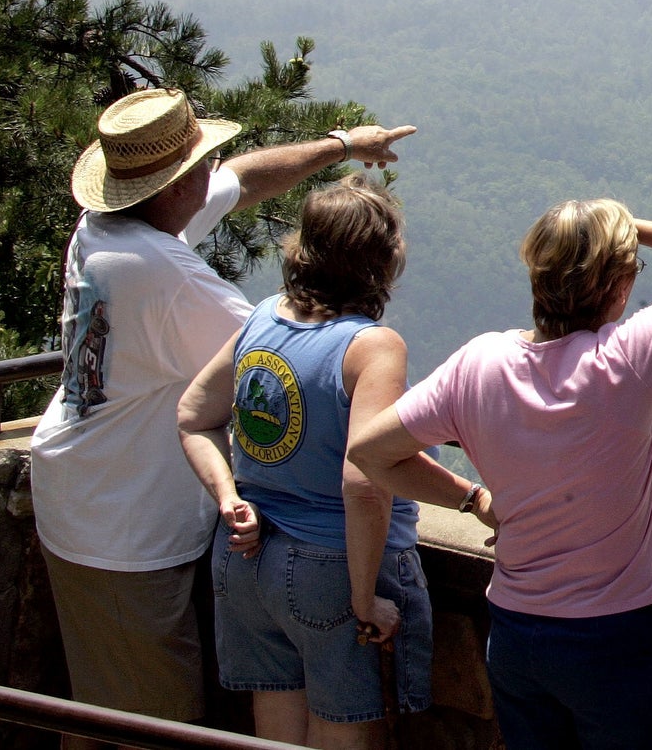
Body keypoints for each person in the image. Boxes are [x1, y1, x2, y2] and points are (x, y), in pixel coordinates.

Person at [29, 87, 413, 744]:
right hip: (122, 526)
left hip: (86, 487)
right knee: (153, 721)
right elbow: (288, 361)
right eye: (203, 159)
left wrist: (344, 145)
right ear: (175, 183)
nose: (215, 168)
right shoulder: (159, 272)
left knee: (102, 701)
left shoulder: (112, 226)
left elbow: (242, 181)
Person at [350, 200, 652, 750]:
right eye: (632, 269)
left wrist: (473, 499)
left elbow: (372, 452)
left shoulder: (480, 364)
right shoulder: (627, 360)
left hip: (520, 634)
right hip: (626, 635)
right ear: (617, 283)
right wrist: (634, 227)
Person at [178, 174, 457, 748]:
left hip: (245, 560)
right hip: (330, 567)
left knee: (277, 721)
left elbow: (193, 415)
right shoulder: (371, 347)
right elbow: (364, 479)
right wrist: (363, 598)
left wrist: (231, 500)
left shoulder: (261, 319)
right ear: (382, 262)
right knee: (347, 730)